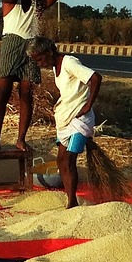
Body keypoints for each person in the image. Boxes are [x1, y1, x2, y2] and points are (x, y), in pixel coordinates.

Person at [0, 0, 63, 152]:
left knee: (26, 95)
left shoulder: (37, 4)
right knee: (3, 94)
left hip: (30, 47)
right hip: (11, 45)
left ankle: (21, 139)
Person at [27, 36, 101, 209]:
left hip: (79, 121)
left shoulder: (69, 63)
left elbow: (96, 78)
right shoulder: (56, 67)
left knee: (68, 160)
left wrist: (88, 105)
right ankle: (71, 200)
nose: (39, 64)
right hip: (66, 120)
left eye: (40, 59)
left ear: (49, 52)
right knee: (61, 161)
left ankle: (71, 202)